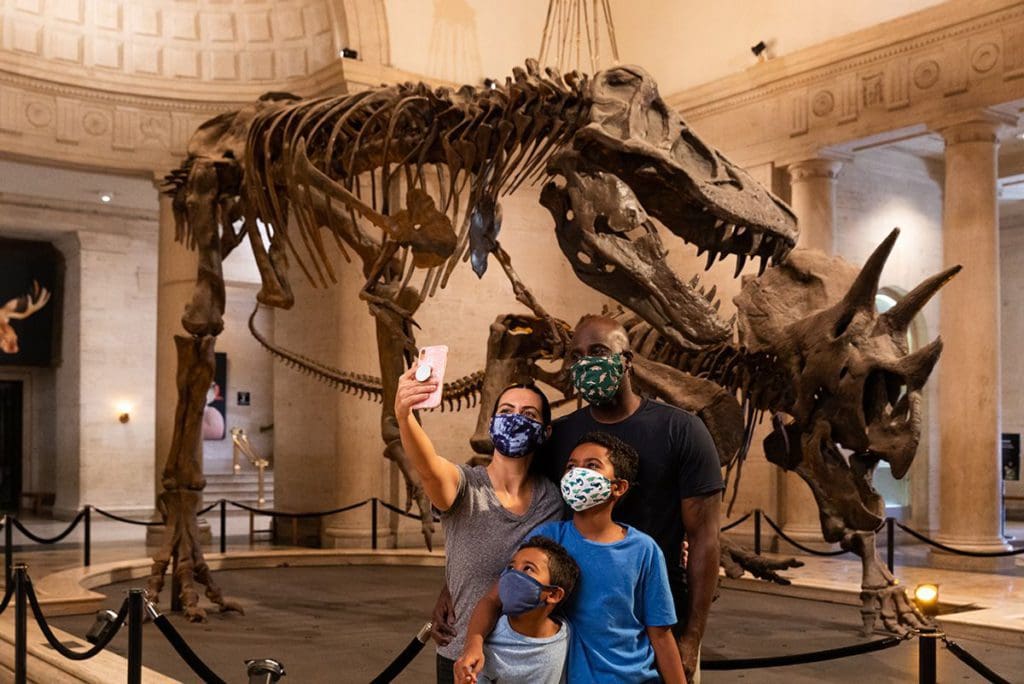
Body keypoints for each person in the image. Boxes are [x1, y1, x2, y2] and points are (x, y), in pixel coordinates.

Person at [541, 314, 723, 682]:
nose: (585, 362)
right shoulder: (559, 437)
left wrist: (692, 638)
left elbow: (705, 538)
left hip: (661, 623)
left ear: (626, 360)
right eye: (576, 356)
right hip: (577, 622)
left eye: (597, 351)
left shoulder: (682, 430)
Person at [457, 432, 685, 683]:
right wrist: (473, 644)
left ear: (618, 487)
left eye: (592, 465)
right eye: (571, 466)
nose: (577, 473)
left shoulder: (644, 549)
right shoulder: (547, 539)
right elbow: (493, 599)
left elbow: (661, 635)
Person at [395, 365, 563, 684]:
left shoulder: (554, 500)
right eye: (506, 411)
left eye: (529, 414)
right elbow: (430, 469)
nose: (516, 418)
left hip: (533, 661)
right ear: (492, 422)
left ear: (545, 431)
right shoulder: (466, 488)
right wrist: (404, 417)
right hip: (463, 658)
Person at [469, 536, 579, 684]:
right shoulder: (489, 637)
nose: (513, 575)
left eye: (528, 568)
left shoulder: (566, 637)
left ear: (553, 594)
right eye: (511, 568)